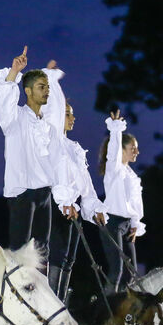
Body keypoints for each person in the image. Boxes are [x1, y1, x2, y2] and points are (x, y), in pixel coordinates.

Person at [0, 46, 77, 270]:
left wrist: (64, 199)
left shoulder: (47, 125)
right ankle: (15, 298)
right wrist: (14, 72)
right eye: (41, 87)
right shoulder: (15, 119)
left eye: (47, 87)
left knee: (42, 252)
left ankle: (39, 299)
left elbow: (56, 162)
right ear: (27, 91)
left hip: (44, 193)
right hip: (22, 194)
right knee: (19, 251)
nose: (46, 91)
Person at [40, 61, 107, 298]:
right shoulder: (52, 142)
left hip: (73, 210)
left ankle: (60, 306)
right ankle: (48, 311)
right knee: (56, 257)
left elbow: (86, 187)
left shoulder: (74, 149)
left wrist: (94, 209)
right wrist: (51, 80)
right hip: (56, 207)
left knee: (69, 259)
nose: (73, 118)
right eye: (68, 114)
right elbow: (57, 178)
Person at [100, 109, 146, 292]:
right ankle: (108, 311)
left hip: (127, 225)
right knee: (117, 270)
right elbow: (113, 151)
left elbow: (135, 201)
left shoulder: (130, 174)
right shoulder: (115, 169)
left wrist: (135, 223)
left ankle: (127, 314)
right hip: (112, 223)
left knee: (132, 273)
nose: (137, 151)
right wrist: (116, 129)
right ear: (122, 150)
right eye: (132, 148)